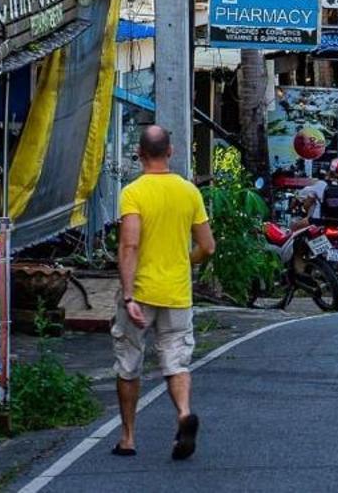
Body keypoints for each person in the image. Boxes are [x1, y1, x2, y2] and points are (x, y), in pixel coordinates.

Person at [113, 125, 215, 461]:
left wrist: (128, 296)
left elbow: (129, 244)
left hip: (141, 292)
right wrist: (186, 260)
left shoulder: (133, 192)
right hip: (177, 292)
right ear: (170, 152)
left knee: (129, 363)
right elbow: (208, 247)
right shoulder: (189, 193)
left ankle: (128, 438)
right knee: (176, 360)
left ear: (140, 155)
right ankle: (184, 413)